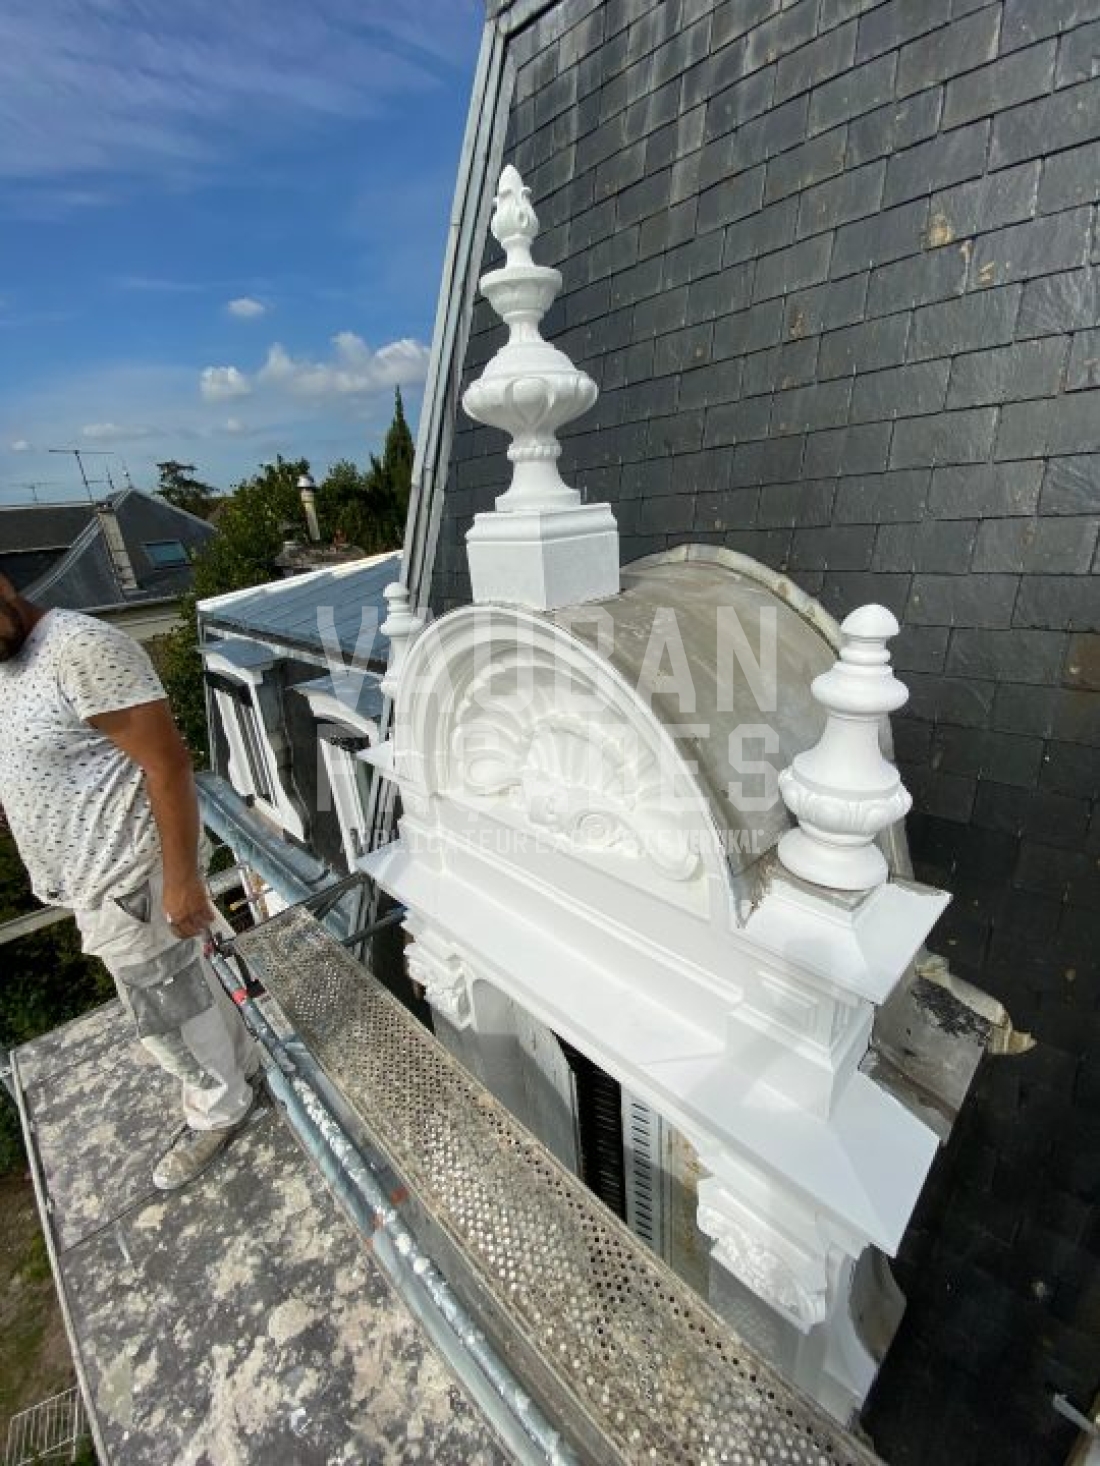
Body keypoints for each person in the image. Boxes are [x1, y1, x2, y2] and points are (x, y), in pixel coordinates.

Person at [0, 573, 256, 1190]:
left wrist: (183, 880)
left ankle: (219, 1110)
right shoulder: (9, 664)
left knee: (168, 1017)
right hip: (91, 881)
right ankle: (244, 1067)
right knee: (191, 989)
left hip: (128, 880)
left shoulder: (80, 649)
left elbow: (168, 764)